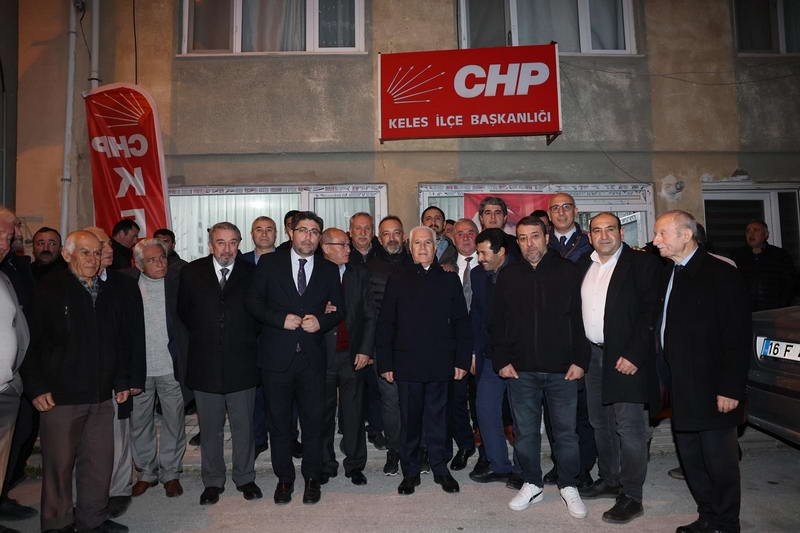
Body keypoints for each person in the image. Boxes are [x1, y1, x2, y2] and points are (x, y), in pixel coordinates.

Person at [21, 230, 130, 533]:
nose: (93, 259)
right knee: (59, 466)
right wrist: (36, 386)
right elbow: (30, 342)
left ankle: (92, 520)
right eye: (85, 252)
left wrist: (121, 380)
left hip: (101, 395)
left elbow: (118, 340)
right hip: (60, 398)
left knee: (98, 464)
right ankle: (58, 524)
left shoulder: (106, 292)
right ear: (67, 254)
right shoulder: (48, 289)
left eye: (96, 252)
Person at [653, 211, 751, 533]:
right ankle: (708, 516)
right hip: (680, 385)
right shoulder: (669, 272)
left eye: (662, 234)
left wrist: (731, 388)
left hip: (713, 388)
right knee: (692, 458)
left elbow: (737, 335)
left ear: (686, 235)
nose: (655, 241)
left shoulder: (721, 274)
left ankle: (726, 523)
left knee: (719, 462)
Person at [490, 216, 590, 519]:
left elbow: (581, 318)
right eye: (522, 238)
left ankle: (569, 485)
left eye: (534, 236)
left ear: (546, 237)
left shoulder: (569, 271)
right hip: (521, 371)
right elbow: (497, 322)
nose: (529, 243)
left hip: (563, 370)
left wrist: (581, 360)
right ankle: (532, 483)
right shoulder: (508, 275)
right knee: (525, 433)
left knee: (566, 434)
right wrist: (501, 360)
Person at [245, 211, 343, 505]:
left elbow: (340, 309)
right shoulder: (269, 263)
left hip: (312, 359)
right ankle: (284, 479)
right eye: (303, 230)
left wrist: (321, 322)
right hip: (276, 359)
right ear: (291, 233)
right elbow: (253, 302)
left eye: (314, 232)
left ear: (319, 237)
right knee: (279, 424)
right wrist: (279, 320)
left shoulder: (328, 269)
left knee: (314, 422)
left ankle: (312, 478)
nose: (308, 236)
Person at [577, 212, 662, 524]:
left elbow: (651, 312)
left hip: (626, 358)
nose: (604, 236)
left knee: (629, 427)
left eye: (610, 229)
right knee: (600, 422)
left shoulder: (642, 264)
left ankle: (632, 495)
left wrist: (635, 354)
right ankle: (610, 478)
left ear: (621, 233)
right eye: (597, 230)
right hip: (593, 356)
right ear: (589, 237)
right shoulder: (584, 265)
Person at [376, 225, 471, 495]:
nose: (422, 248)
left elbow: (462, 324)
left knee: (438, 420)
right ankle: (410, 472)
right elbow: (386, 323)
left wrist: (462, 360)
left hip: (441, 363)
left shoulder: (449, 280)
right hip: (406, 364)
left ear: (435, 246)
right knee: (410, 421)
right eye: (417, 243)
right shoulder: (397, 279)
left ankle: (441, 469)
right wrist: (386, 363)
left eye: (427, 243)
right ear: (410, 247)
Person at [178, 222, 261, 505]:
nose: (227, 249)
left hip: (243, 363)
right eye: (221, 242)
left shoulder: (252, 272)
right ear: (211, 244)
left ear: (239, 243)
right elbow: (184, 313)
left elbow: (259, 315)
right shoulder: (191, 272)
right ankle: (213, 481)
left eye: (233, 242)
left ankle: (245, 477)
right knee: (210, 429)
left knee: (243, 427)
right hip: (205, 363)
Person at [84, 226, 146, 520]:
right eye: (100, 245)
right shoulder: (73, 284)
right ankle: (87, 495)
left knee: (120, 435)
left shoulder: (125, 284)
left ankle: (119, 490)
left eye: (107, 244)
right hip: (83, 378)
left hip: (119, 373)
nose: (107, 250)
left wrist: (135, 376)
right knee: (86, 441)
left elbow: (136, 333)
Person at [128, 239, 187, 499]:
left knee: (174, 421)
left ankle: (171, 473)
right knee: (140, 422)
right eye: (152, 260)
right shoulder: (128, 287)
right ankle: (146, 473)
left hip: (170, 367)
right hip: (140, 369)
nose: (160, 263)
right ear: (139, 265)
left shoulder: (177, 285)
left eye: (162, 258)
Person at [545, 192, 596, 488]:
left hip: (582, 331)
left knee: (581, 410)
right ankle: (560, 464)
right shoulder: (541, 244)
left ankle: (583, 468)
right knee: (553, 410)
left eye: (566, 207)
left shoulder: (591, 244)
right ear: (549, 214)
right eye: (555, 208)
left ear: (575, 211)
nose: (561, 212)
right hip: (550, 336)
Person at [319, 228, 376, 486]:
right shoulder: (313, 274)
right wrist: (319, 310)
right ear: (325, 247)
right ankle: (325, 463)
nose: (348, 249)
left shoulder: (359, 273)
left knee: (354, 412)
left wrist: (365, 349)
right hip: (321, 355)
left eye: (347, 244)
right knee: (322, 412)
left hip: (352, 355)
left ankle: (355, 465)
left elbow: (370, 314)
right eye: (342, 245)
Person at [469, 228, 520, 486]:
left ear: (501, 252)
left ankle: (523, 469)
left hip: (519, 356)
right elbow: (477, 315)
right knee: (485, 408)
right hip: (489, 354)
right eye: (478, 253)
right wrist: (474, 352)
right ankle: (499, 465)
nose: (479, 258)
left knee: (521, 414)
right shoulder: (478, 275)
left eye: (484, 253)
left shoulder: (521, 272)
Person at [366, 215, 414, 477]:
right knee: (390, 401)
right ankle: (394, 449)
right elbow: (367, 312)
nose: (392, 238)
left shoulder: (416, 262)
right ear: (379, 237)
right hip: (383, 346)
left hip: (415, 346)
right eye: (386, 233)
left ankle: (417, 450)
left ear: (403, 236)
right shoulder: (369, 266)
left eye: (396, 233)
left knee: (415, 400)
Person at [0, 209, 36, 524]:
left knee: (4, 457)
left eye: (8, 236)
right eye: (0, 234)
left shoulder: (5, 277)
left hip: (9, 385)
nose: (5, 242)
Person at [448, 218, 479, 471]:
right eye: (460, 234)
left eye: (471, 233)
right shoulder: (443, 268)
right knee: (455, 401)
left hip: (483, 346)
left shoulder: (492, 265)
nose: (466, 237)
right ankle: (465, 444)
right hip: (452, 347)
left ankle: (487, 451)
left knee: (482, 404)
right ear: (453, 238)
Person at [731, 219, 795, 311]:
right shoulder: (737, 256)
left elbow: (790, 284)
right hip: (745, 310)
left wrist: (781, 306)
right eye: (748, 231)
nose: (751, 234)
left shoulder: (780, 255)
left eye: (756, 230)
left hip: (774, 311)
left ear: (766, 234)